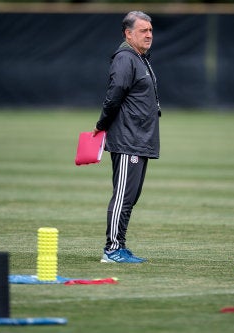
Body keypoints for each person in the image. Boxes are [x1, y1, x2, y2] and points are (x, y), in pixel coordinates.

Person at [93, 11, 161, 263]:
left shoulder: (140, 58)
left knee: (130, 197)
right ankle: (111, 250)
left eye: (150, 30)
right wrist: (102, 125)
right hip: (128, 139)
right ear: (128, 33)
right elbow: (115, 93)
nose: (149, 35)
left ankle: (120, 245)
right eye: (143, 30)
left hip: (140, 139)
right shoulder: (125, 58)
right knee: (122, 195)